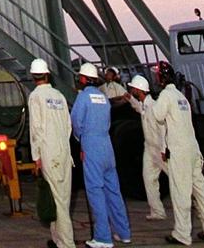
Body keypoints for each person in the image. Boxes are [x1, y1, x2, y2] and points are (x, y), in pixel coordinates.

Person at [151, 61, 204, 246]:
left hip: (180, 152)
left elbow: (158, 116)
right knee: (201, 192)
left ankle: (182, 234)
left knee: (181, 193)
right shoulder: (181, 97)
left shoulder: (166, 95)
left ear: (161, 78)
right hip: (192, 150)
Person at [70, 62, 131, 248]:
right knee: (113, 190)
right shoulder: (103, 97)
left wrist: (82, 142)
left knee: (95, 191)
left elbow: (76, 123)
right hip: (107, 146)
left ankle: (103, 238)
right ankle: (124, 232)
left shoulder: (83, 98)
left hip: (92, 146)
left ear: (82, 79)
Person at [28, 58, 75, 248]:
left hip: (49, 152)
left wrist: (36, 156)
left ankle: (67, 243)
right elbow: (68, 125)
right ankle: (57, 239)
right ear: (47, 74)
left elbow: (36, 129)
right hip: (64, 151)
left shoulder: (35, 97)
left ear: (33, 76)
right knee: (61, 197)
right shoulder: (59, 96)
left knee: (59, 201)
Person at [126, 74, 167, 221]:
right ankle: (157, 211)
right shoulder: (145, 105)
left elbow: (162, 129)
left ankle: (193, 199)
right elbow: (140, 110)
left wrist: (163, 149)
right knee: (149, 179)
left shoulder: (154, 106)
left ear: (139, 89)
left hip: (158, 149)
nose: (132, 90)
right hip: (149, 148)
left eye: (133, 89)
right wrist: (130, 100)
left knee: (175, 179)